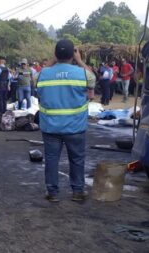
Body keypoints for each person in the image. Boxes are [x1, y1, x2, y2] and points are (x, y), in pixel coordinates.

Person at [37, 39, 96, 203]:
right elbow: (93, 78)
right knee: (77, 159)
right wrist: (79, 60)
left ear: (56, 55)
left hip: (50, 127)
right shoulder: (82, 74)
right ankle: (77, 192)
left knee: (51, 160)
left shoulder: (43, 74)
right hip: (75, 126)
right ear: (73, 54)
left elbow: (36, 82)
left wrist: (52, 61)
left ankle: (52, 192)